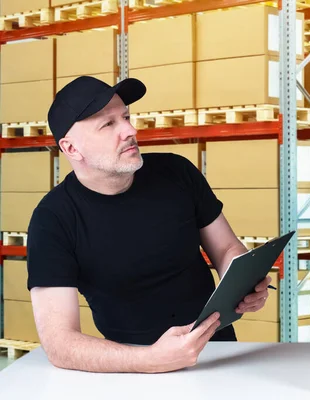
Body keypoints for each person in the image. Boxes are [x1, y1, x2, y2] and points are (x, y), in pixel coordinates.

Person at [26, 76, 272, 374]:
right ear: (72, 148)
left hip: (219, 353)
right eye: (108, 125)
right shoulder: (53, 220)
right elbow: (59, 343)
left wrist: (243, 283)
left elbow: (226, 247)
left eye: (126, 117)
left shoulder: (177, 172)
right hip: (129, 369)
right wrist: (149, 360)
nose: (130, 131)